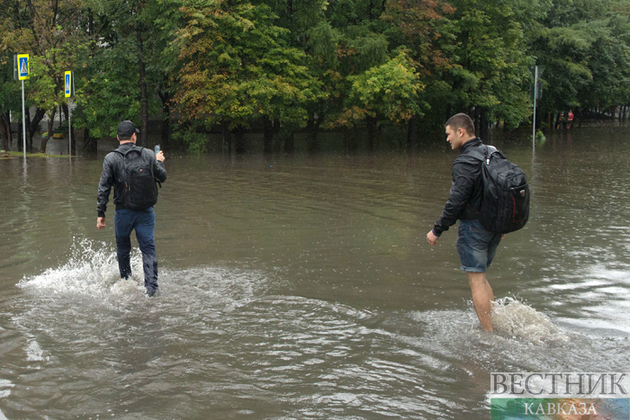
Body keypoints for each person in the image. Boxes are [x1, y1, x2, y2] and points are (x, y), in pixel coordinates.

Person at [426, 113, 503, 332]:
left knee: (476, 280)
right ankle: (493, 321)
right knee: (481, 276)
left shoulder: (464, 161)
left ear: (460, 132)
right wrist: (503, 224)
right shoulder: (493, 151)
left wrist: (437, 230)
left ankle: (489, 335)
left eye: (449, 134)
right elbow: (501, 191)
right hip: (496, 226)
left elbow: (455, 202)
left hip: (475, 228)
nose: (447, 139)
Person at [96, 121, 167, 297]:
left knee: (123, 247)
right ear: (134, 137)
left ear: (118, 137)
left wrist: (101, 213)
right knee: (148, 249)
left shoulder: (110, 158)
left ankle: (126, 282)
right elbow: (162, 177)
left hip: (122, 212)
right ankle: (151, 290)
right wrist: (159, 162)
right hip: (146, 212)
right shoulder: (149, 154)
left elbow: (104, 187)